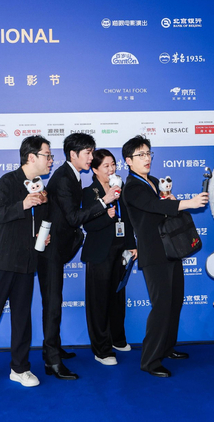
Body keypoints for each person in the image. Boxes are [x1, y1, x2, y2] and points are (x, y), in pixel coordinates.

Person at [0, 135, 53, 388]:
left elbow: (37, 222)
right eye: (47, 155)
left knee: (22, 318)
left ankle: (20, 368)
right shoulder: (7, 182)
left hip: (26, 261)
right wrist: (23, 204)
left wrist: (42, 236)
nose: (51, 160)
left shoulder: (41, 188)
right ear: (31, 157)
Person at [121, 135, 208, 378]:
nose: (146, 158)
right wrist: (187, 203)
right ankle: (150, 360)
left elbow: (163, 208)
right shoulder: (132, 187)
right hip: (154, 253)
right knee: (161, 307)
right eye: (140, 155)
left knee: (174, 302)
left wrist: (172, 199)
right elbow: (155, 207)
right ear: (128, 161)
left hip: (171, 249)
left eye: (148, 153)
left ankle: (167, 348)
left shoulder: (154, 181)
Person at [39, 133, 120, 380]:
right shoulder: (64, 178)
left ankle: (54, 347)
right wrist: (104, 201)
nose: (91, 157)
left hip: (59, 248)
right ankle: (52, 360)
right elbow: (74, 217)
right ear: (73, 154)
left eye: (92, 151)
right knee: (52, 304)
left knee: (55, 301)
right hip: (51, 250)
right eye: (87, 152)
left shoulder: (72, 175)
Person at [81, 149, 137, 366]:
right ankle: (102, 350)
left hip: (120, 250)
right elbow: (88, 225)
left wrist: (132, 245)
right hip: (99, 253)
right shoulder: (90, 193)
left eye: (113, 164)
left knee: (117, 297)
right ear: (94, 169)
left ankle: (117, 339)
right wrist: (106, 215)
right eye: (106, 166)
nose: (111, 169)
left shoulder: (120, 188)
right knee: (99, 302)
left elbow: (128, 220)